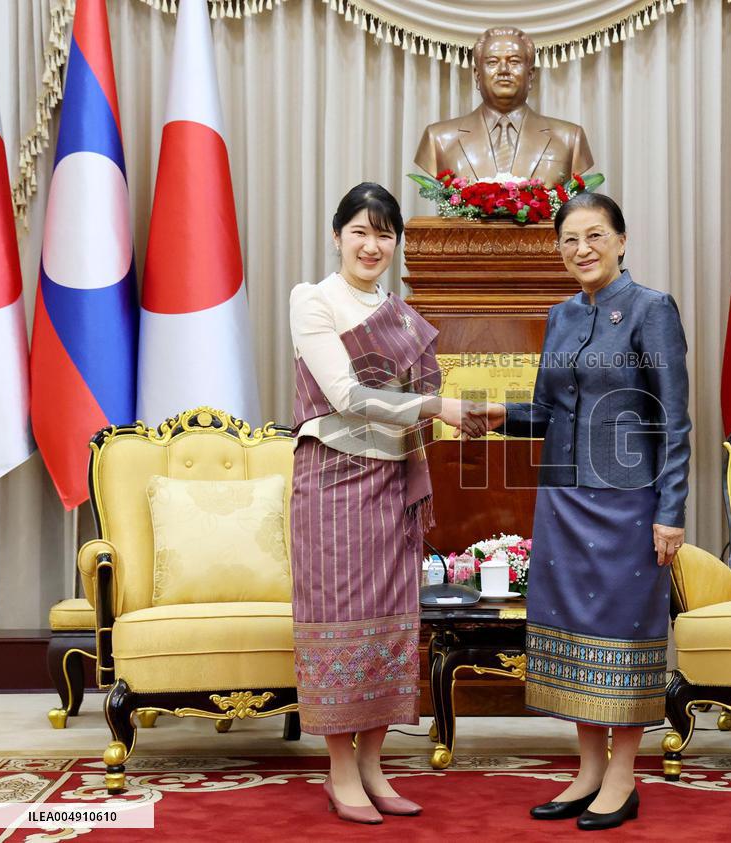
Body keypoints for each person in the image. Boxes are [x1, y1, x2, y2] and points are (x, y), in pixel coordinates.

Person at [472, 192, 691, 831]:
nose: (582, 249)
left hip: (629, 505)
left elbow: (675, 422)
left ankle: (623, 778)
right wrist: (501, 415)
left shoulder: (652, 309)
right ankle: (588, 772)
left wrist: (671, 510)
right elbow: (548, 411)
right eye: (569, 239)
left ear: (621, 240)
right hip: (562, 500)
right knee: (571, 635)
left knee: (622, 635)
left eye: (595, 235)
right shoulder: (562, 315)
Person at [289, 183, 481, 824]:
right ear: (337, 235)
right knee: (339, 622)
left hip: (393, 485)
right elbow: (346, 396)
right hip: (332, 485)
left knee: (389, 625)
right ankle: (341, 771)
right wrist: (437, 405)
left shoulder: (401, 315)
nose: (372, 246)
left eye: (384, 234)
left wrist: (452, 407)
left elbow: (420, 399)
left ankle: (373, 767)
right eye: (360, 232)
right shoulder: (313, 301)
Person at [414, 26, 593, 184]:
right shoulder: (439, 138)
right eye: (492, 62)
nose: (503, 70)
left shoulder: (569, 138)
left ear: (531, 75)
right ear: (477, 75)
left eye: (514, 61)